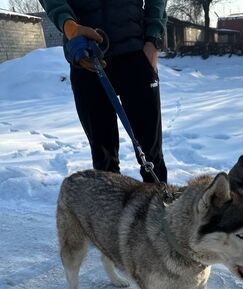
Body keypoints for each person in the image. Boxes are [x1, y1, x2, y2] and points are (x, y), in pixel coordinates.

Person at [39, 0, 168, 183]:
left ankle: (159, 210)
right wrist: (69, 26)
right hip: (85, 53)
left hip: (136, 54)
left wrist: (153, 40)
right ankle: (109, 211)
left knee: (152, 158)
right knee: (104, 162)